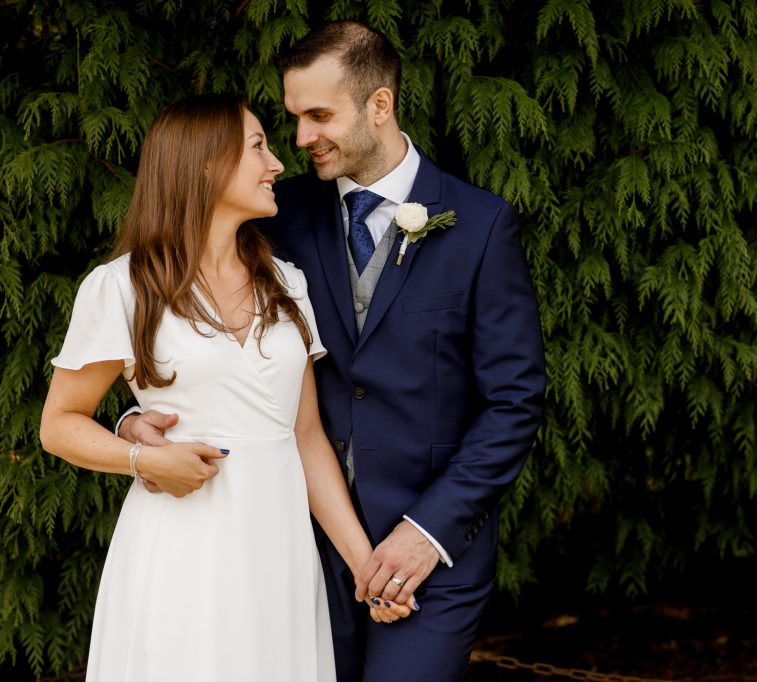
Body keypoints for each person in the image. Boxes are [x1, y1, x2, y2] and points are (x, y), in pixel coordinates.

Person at [122, 20, 546, 682]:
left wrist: (426, 531)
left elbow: (514, 403)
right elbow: (191, 322)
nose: (299, 140)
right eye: (292, 118)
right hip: (292, 546)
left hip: (428, 552)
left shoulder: (480, 226)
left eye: (319, 115)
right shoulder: (272, 212)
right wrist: (139, 419)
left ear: (380, 105)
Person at [40, 94, 411, 682]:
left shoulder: (287, 283)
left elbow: (307, 438)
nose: (278, 164)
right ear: (206, 165)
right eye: (259, 147)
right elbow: (58, 424)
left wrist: (365, 567)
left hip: (279, 550)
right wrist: (139, 458)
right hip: (179, 546)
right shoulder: (122, 287)